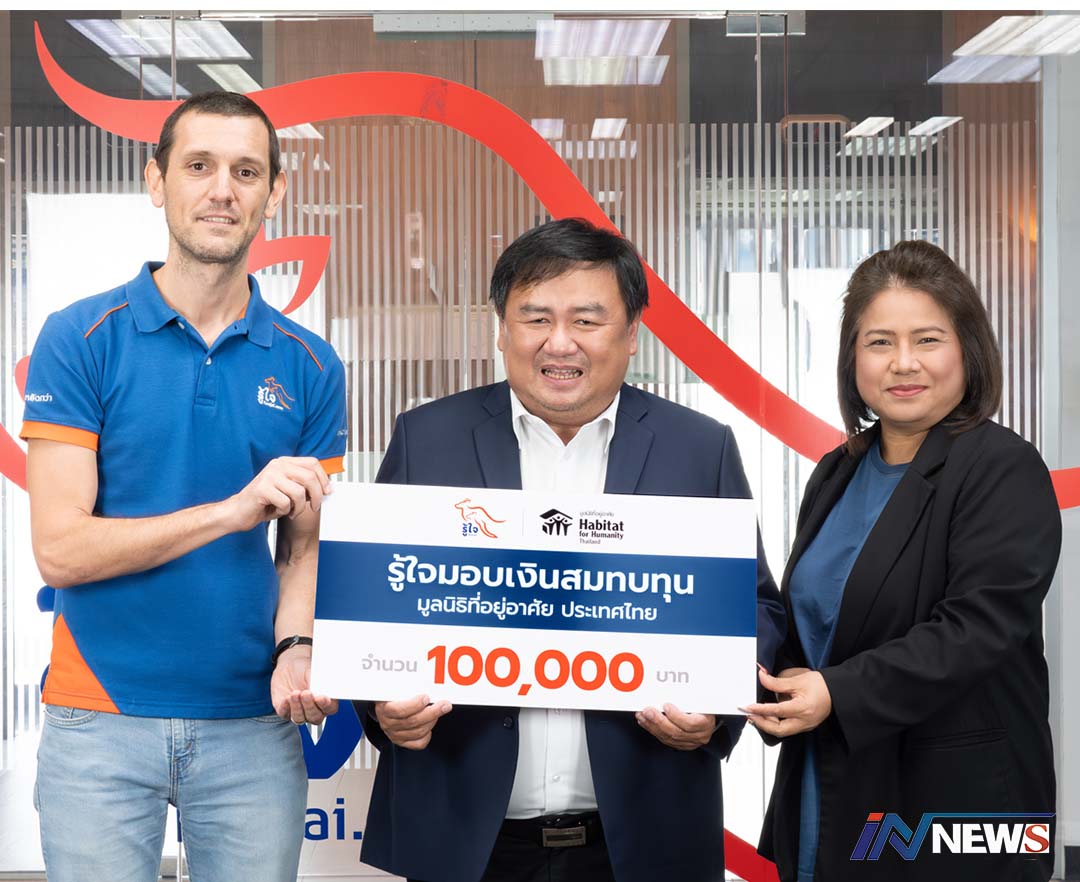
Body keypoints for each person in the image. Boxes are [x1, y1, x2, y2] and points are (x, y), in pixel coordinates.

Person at [358, 217, 786, 882]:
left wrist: (718, 711)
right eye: (535, 318)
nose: (559, 343)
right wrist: (382, 709)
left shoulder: (699, 449)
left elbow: (757, 609)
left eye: (586, 320)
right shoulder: (427, 439)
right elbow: (374, 600)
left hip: (643, 839)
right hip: (466, 840)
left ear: (632, 333)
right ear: (501, 330)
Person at [21, 91, 347, 882]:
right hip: (98, 718)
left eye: (246, 171)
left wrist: (297, 649)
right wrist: (232, 512)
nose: (222, 190)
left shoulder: (311, 365)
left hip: (252, 722)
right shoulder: (80, 338)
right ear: (156, 181)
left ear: (274, 192)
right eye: (199, 166)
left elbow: (302, 551)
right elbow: (60, 550)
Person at [745, 240, 1059, 882]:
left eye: (928, 339)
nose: (903, 362)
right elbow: (817, 623)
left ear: (967, 350)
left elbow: (975, 631)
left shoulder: (1003, 467)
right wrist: (772, 681)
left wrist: (835, 692)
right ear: (853, 360)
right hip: (830, 787)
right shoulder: (837, 471)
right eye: (880, 342)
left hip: (947, 810)